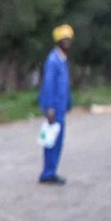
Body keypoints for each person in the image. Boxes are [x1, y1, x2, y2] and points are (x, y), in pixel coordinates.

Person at [39, 24, 74, 183]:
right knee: (51, 141)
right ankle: (48, 173)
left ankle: (51, 170)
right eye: (64, 40)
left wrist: (68, 102)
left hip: (60, 108)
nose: (67, 43)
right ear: (58, 41)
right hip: (54, 109)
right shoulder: (53, 60)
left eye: (69, 40)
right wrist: (49, 108)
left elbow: (64, 85)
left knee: (57, 141)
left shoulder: (62, 60)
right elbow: (48, 84)